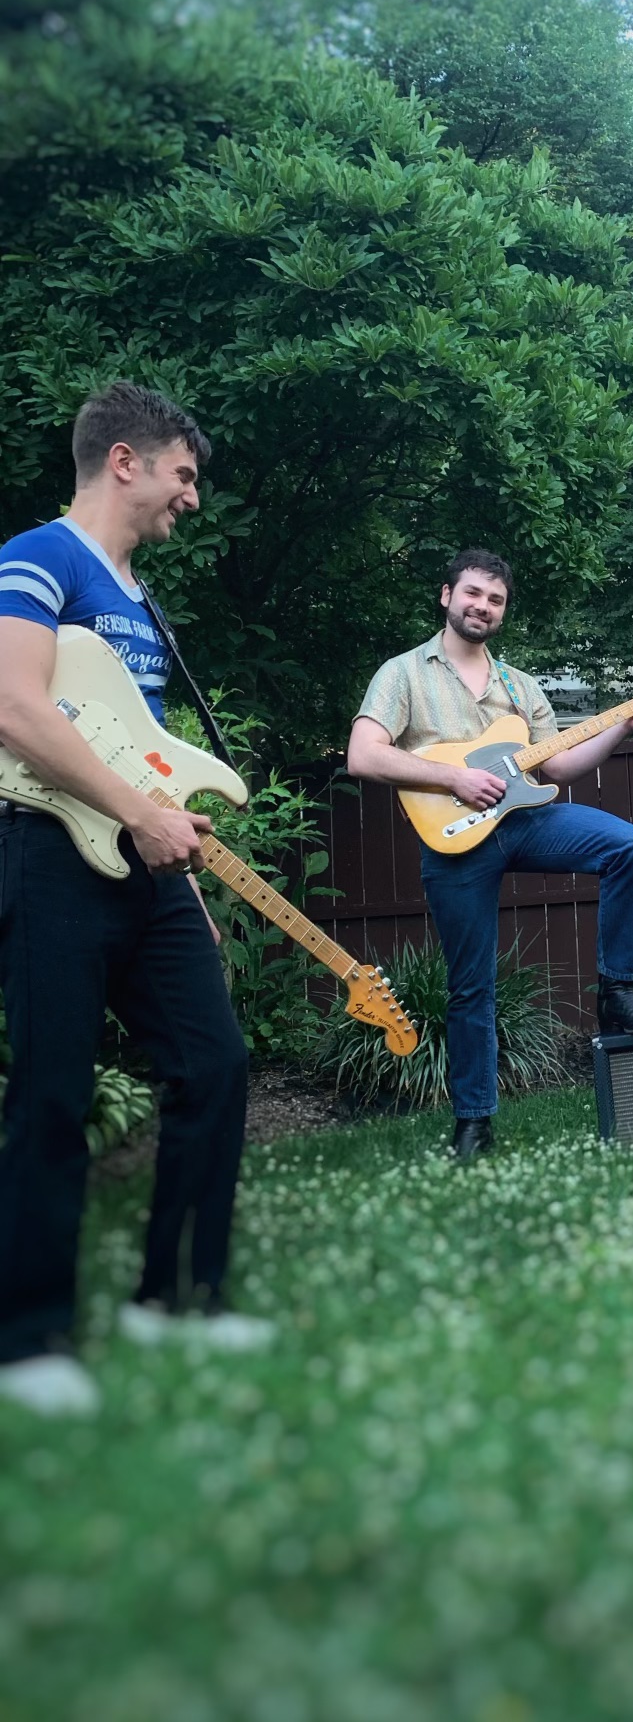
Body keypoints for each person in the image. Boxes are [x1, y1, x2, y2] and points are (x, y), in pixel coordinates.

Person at [0, 382, 270, 1421]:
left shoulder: (142, 599)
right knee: (53, 1092)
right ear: (127, 462)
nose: (191, 499)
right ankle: (25, 1339)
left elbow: (140, 745)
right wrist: (137, 815)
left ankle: (179, 1299)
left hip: (146, 867)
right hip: (49, 857)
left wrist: (170, 852)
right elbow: (17, 704)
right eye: (184, 475)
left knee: (214, 1063)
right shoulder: (40, 556)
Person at [347, 551, 633, 1159]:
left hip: (526, 822)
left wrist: (623, 724)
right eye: (473, 594)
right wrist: (453, 782)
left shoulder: (519, 687)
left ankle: (617, 991)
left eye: (495, 600)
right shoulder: (404, 673)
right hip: (455, 840)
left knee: (628, 845)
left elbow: (556, 766)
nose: (483, 607)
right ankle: (474, 1124)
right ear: (447, 596)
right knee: (472, 987)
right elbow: (363, 755)